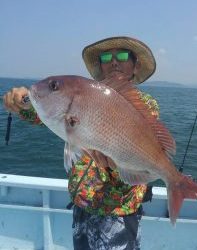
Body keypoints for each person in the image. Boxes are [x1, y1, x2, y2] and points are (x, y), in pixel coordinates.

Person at [4, 36, 159, 250]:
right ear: (101, 65)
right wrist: (25, 102)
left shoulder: (145, 106)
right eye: (106, 57)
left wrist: (115, 163)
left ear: (135, 65)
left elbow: (135, 158)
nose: (114, 61)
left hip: (118, 214)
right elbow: (51, 116)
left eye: (122, 55)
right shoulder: (85, 97)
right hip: (82, 207)